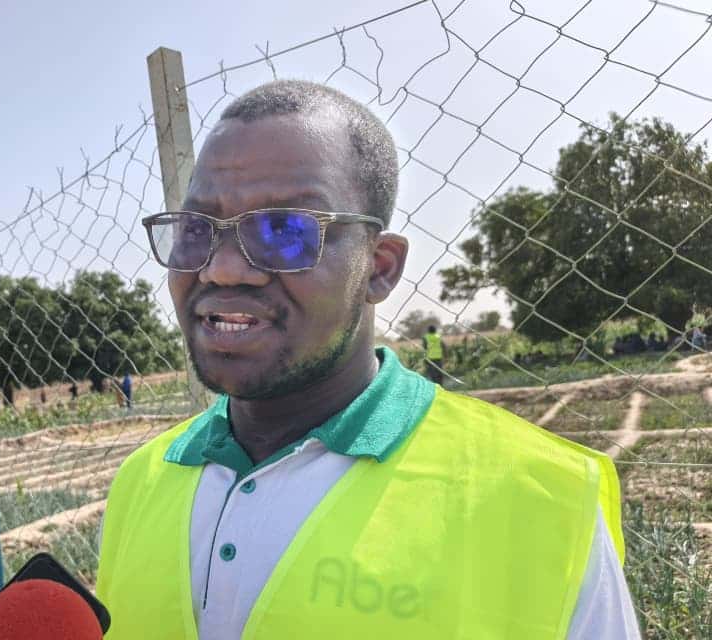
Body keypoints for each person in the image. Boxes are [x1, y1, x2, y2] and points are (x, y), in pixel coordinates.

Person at [96, 80, 639, 639]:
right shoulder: (142, 481)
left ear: (378, 267)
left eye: (285, 230)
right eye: (195, 230)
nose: (223, 269)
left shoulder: (539, 499)